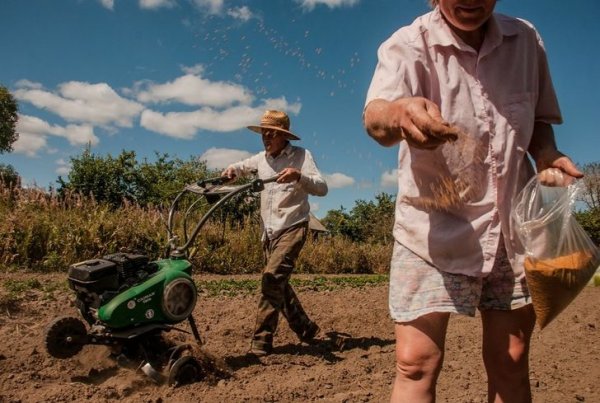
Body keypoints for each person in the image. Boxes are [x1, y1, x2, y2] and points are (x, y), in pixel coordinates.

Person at [363, 1, 583, 402]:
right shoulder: (409, 44)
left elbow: (537, 121)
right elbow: (376, 116)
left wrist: (547, 153)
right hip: (431, 228)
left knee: (511, 360)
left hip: (510, 230)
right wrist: (401, 113)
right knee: (415, 362)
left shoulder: (525, 40)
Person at [222, 109, 328, 356]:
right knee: (278, 284)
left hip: (293, 225)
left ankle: (262, 340)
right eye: (263, 133)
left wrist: (299, 176)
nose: (266, 137)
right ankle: (306, 328)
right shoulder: (261, 159)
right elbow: (240, 166)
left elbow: (322, 188)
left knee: (271, 278)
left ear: (283, 136)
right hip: (269, 232)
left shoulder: (301, 156)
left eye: (271, 133)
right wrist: (231, 171)